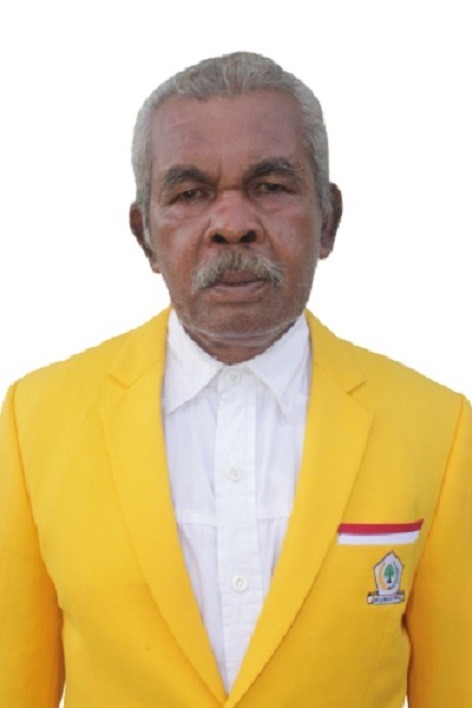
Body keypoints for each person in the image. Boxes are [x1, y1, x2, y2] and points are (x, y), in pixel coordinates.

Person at [0, 52, 471, 708]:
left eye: (270, 185)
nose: (232, 224)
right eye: (190, 193)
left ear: (328, 219)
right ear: (144, 235)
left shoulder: (438, 430)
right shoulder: (35, 423)